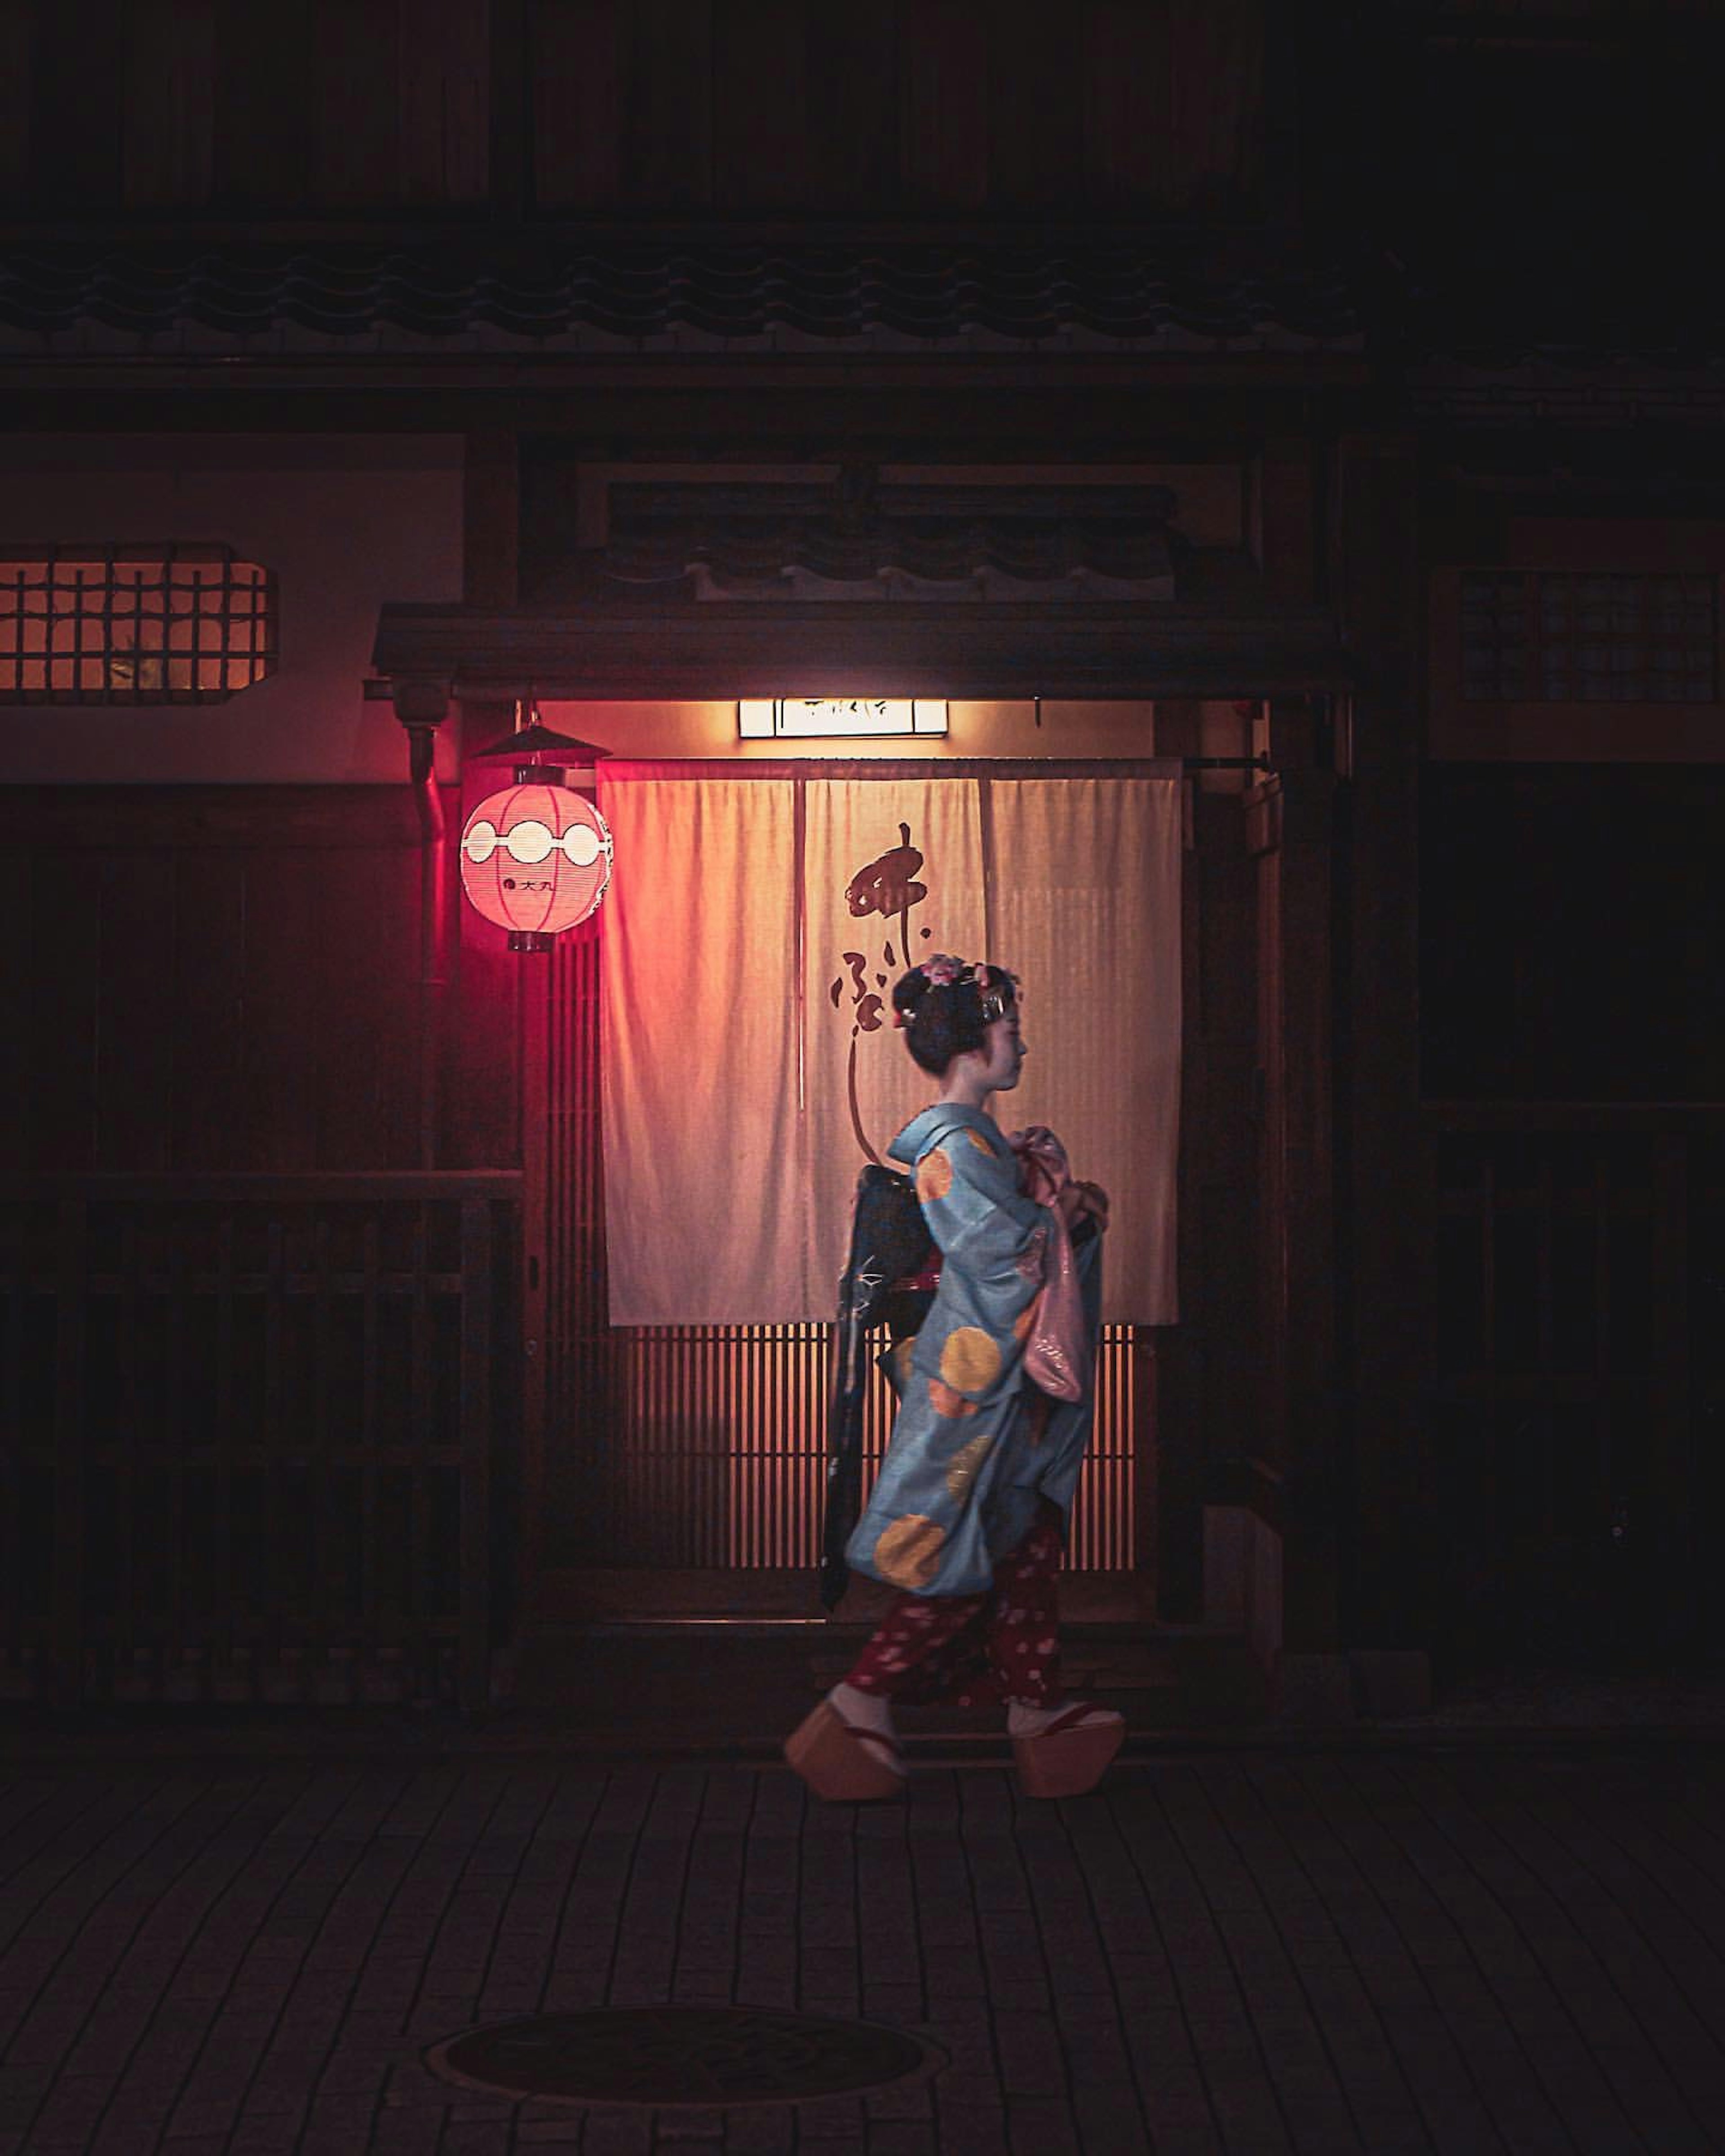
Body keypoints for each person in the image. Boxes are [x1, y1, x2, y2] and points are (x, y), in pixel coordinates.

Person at [784, 954, 1124, 1802]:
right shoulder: (949, 1144)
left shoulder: (971, 1142)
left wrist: (1041, 1188)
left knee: (1021, 1543)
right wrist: (1063, 1208)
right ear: (974, 1042)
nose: (1022, 1044)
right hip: (986, 1387)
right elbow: (998, 1259)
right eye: (1010, 1028)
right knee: (973, 1551)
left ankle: (1033, 1710)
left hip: (1002, 1384)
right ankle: (860, 1700)